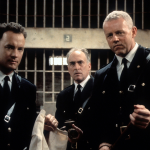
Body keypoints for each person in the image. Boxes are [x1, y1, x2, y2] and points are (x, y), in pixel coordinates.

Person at [90, 11, 150, 150]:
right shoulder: (102, 75)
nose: (115, 39)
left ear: (133, 31)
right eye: (109, 35)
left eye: (120, 32)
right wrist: (103, 142)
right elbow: (97, 119)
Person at [0, 22, 58, 150]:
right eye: (9, 47)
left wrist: (44, 124)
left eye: (20, 49)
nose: (15, 54)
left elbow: (29, 129)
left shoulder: (28, 89)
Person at [55, 48, 94, 150]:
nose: (76, 67)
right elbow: (59, 127)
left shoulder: (99, 91)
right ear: (68, 68)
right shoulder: (63, 96)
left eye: (80, 62)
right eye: (72, 64)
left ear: (89, 66)